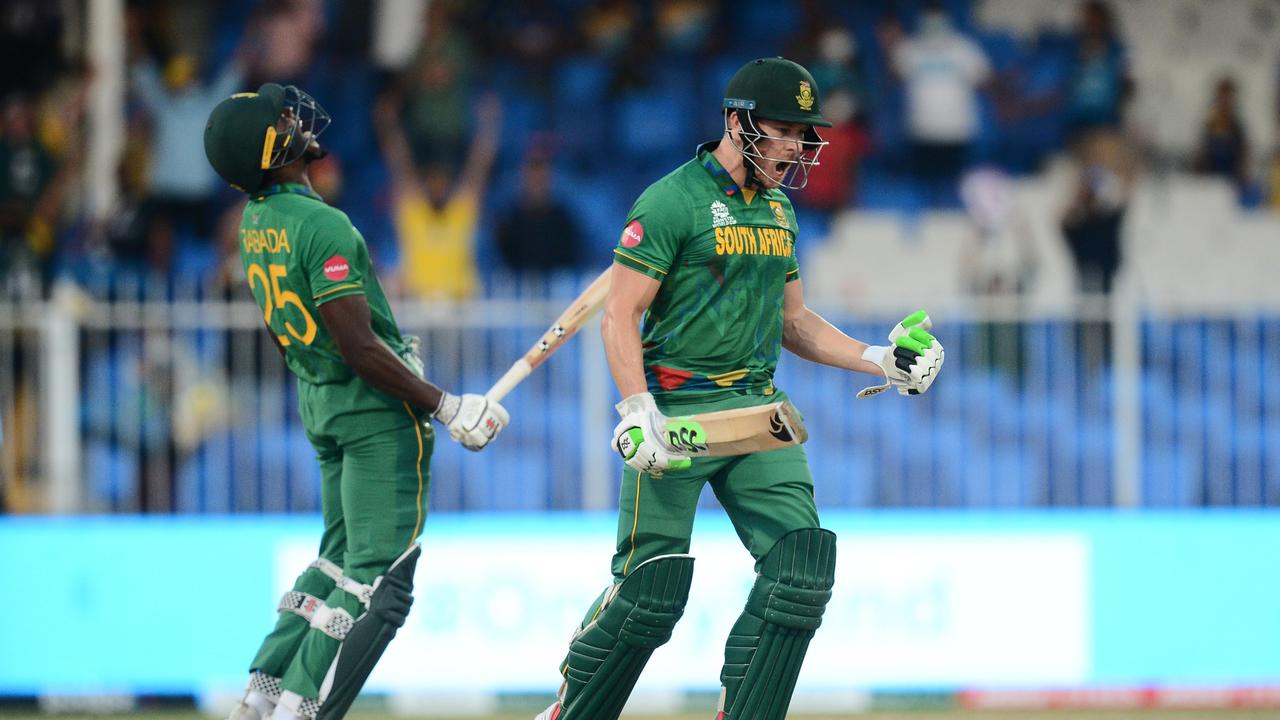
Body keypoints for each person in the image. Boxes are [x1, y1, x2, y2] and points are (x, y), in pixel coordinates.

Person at [535, 57, 945, 720]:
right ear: (736, 121)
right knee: (649, 594)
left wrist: (880, 359)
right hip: (677, 412)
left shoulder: (781, 210)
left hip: (758, 413)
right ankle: (569, 711)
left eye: (803, 133)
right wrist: (637, 409)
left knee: (803, 570)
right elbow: (620, 313)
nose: (797, 146)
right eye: (783, 129)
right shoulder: (671, 201)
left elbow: (795, 323)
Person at [204, 83, 509, 720]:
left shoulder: (256, 224)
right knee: (379, 584)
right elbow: (360, 349)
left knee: (337, 563)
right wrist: (446, 406)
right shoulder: (324, 225)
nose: (295, 119)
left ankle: (261, 696)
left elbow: (290, 340)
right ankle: (301, 708)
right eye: (282, 119)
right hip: (372, 415)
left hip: (321, 405)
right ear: (268, 151)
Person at [374, 91, 499, 300]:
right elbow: (400, 165)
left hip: (459, 307)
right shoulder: (415, 214)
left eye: (442, 181)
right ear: (424, 183)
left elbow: (478, 169)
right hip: (417, 303)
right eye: (432, 180)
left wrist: (489, 125)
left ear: (449, 183)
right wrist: (388, 125)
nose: (438, 186)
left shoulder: (459, 214)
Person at [889, 1, 991, 205]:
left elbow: (984, 78)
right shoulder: (909, 48)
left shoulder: (964, 48)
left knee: (955, 186)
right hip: (921, 129)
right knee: (924, 187)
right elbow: (894, 75)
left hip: (957, 129)